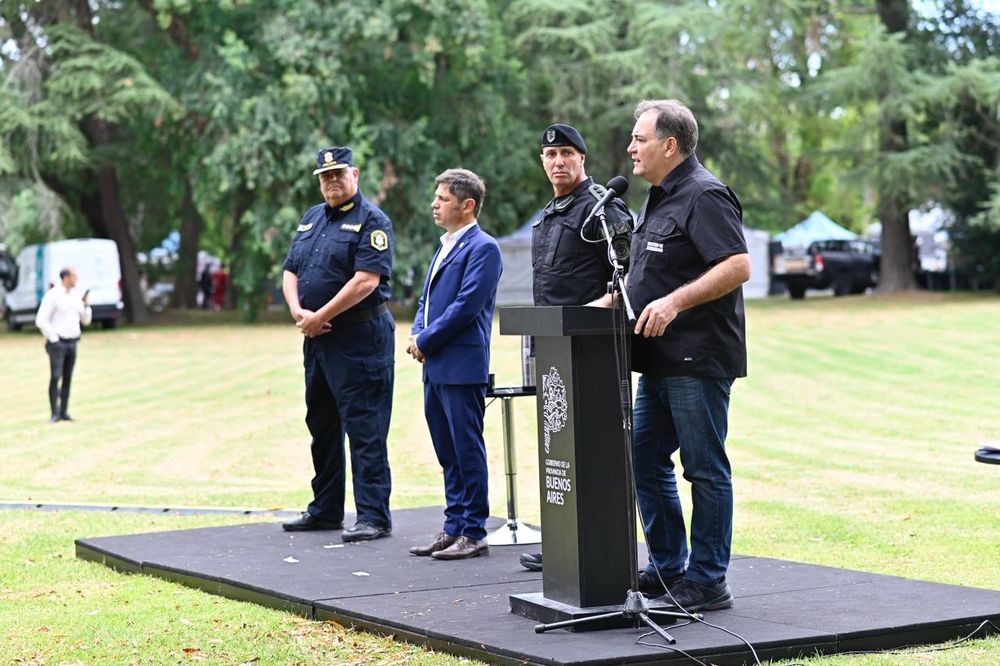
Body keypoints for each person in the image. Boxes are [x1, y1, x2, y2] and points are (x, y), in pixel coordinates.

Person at [593, 99, 750, 611]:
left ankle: (708, 581)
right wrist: (611, 300)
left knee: (704, 469)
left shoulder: (705, 195)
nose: (630, 148)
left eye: (639, 139)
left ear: (670, 145)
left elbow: (737, 265)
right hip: (655, 359)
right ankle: (667, 566)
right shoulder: (658, 199)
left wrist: (675, 302)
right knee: (643, 457)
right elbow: (649, 276)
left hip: (696, 359)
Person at [519, 123, 633, 573]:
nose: (558, 161)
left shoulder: (603, 210)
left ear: (582, 158)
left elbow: (627, 277)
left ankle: (600, 545)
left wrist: (588, 314)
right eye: (550, 155)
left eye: (567, 153)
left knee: (593, 449)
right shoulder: (549, 214)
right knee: (558, 449)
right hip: (553, 350)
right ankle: (566, 542)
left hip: (594, 350)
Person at [280, 146, 395, 543]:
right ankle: (325, 509)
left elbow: (366, 280)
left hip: (360, 340)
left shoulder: (372, 221)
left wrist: (320, 314)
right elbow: (290, 270)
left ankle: (373, 516)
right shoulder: (312, 218)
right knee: (322, 425)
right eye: (325, 177)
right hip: (318, 340)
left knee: (365, 427)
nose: (331, 182)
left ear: (355, 175)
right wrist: (299, 311)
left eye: (338, 174)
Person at [407, 169, 502, 561]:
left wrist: (425, 339)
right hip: (434, 364)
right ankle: (453, 526)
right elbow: (426, 303)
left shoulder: (484, 248)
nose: (434, 204)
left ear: (468, 205)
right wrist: (416, 333)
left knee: (466, 448)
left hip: (461, 364)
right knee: (447, 450)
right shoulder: (445, 245)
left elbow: (465, 307)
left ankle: (474, 530)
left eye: (443, 198)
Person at [35, 266, 92, 423]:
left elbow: (85, 321)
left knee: (68, 377)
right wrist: (54, 338)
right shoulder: (53, 296)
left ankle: (64, 411)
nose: (77, 279)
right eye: (74, 276)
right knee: (55, 376)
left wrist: (87, 306)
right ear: (66, 277)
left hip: (73, 341)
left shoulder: (76, 297)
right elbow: (41, 320)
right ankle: (54, 413)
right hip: (58, 343)